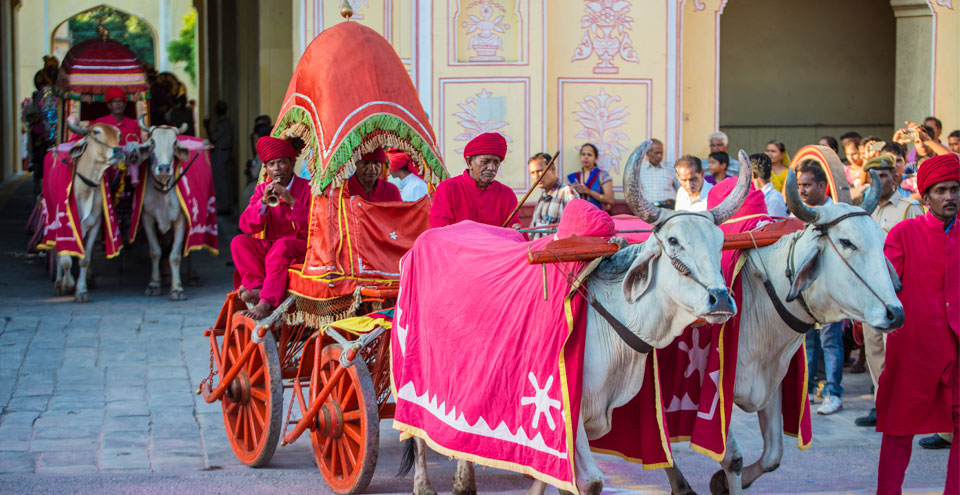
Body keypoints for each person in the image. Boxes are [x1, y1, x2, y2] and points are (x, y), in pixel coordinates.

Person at [876, 153, 959, 495]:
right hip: (913, 350)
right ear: (925, 197)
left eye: (955, 189)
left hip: (957, 349)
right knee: (899, 428)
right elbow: (883, 286)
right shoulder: (903, 233)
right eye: (941, 190)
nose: (950, 197)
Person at [852, 154, 924, 429]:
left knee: (900, 353)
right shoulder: (863, 212)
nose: (879, 181)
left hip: (899, 295)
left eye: (884, 175)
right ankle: (882, 405)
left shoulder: (908, 208)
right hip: (871, 296)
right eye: (873, 176)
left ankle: (906, 407)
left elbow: (919, 253)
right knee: (874, 351)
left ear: (895, 178)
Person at [231, 137, 312, 320]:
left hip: (301, 247)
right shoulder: (261, 190)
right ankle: (258, 287)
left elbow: (315, 228)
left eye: (281, 162)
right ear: (266, 168)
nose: (276, 169)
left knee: (281, 246)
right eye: (271, 164)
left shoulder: (307, 189)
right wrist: (263, 204)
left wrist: (291, 201)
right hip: (274, 247)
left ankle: (266, 301)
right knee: (238, 242)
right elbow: (246, 225)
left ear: (292, 163)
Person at [796, 160, 845, 415]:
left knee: (830, 341)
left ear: (823, 186)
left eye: (807, 185)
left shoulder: (838, 213)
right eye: (799, 185)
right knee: (808, 343)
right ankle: (807, 392)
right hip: (806, 291)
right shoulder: (797, 212)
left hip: (831, 290)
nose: (802, 190)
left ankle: (833, 392)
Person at [430, 132, 519, 228]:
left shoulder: (507, 194)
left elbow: (514, 230)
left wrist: (515, 230)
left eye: (496, 163)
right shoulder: (448, 188)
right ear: (469, 162)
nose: (491, 168)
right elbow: (440, 229)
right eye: (485, 162)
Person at [528, 152, 579, 239]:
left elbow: (574, 231)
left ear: (552, 169)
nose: (536, 176)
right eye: (532, 173)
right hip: (537, 249)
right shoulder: (542, 198)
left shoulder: (568, 194)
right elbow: (533, 231)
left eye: (540, 171)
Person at [205, 100, 235, 215]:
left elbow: (213, 138)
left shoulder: (221, 123)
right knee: (227, 181)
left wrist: (207, 127)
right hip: (227, 152)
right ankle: (227, 205)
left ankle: (224, 207)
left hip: (220, 153)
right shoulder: (229, 122)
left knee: (221, 181)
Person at [567, 143, 614, 211]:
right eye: (583, 154)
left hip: (597, 215)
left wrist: (588, 191)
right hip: (578, 214)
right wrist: (572, 190)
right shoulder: (573, 177)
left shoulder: (602, 175)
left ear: (595, 158)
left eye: (589, 155)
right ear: (580, 157)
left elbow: (610, 200)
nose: (586, 157)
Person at [636, 138, 679, 209]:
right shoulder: (640, 169)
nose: (660, 156)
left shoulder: (671, 167)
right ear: (648, 153)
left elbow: (680, 188)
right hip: (649, 207)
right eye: (656, 153)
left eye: (661, 153)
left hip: (669, 206)